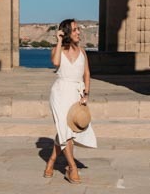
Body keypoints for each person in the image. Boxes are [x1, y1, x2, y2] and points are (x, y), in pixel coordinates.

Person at [43, 18, 97, 183]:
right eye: (74, 30)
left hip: (76, 94)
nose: (78, 32)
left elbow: (87, 73)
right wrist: (59, 41)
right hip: (60, 93)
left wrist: (86, 93)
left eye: (78, 29)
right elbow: (56, 62)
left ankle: (51, 161)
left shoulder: (82, 51)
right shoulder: (56, 49)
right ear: (66, 32)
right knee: (66, 131)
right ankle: (72, 168)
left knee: (67, 131)